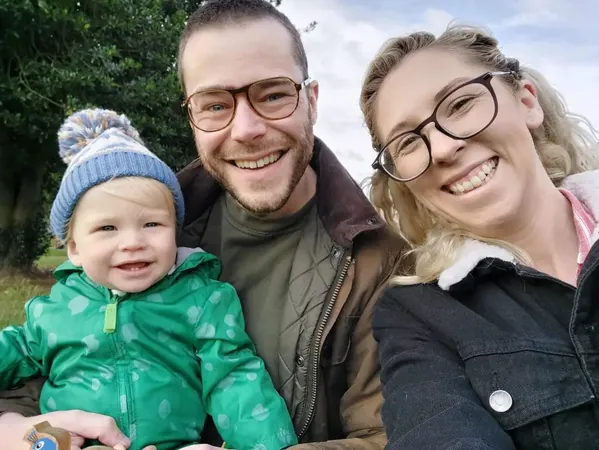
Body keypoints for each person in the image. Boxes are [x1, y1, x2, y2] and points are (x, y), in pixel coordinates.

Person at [0, 1, 407, 449]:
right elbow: (44, 367)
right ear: (193, 118)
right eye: (215, 104)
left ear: (310, 101)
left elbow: (391, 437)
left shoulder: (382, 263)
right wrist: (19, 432)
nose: (246, 128)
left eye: (273, 95)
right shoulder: (134, 232)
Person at [359, 24, 599, 449]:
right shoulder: (419, 315)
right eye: (408, 142)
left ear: (526, 101)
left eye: (460, 103)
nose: (442, 148)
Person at [0, 108, 297, 450]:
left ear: (175, 232)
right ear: (75, 249)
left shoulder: (200, 299)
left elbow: (234, 378)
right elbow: (15, 350)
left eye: (152, 224)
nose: (132, 242)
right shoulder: (54, 310)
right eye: (107, 228)